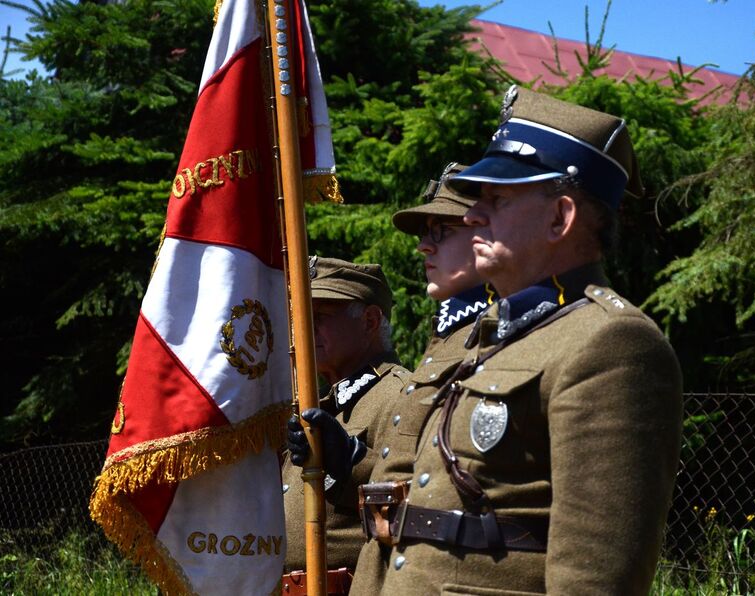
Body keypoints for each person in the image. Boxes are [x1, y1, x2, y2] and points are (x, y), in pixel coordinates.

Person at [375, 86, 684, 595]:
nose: (472, 215)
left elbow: (596, 579)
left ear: (560, 217)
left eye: (497, 198)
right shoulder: (496, 335)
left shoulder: (613, 344)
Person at [350, 163, 492, 594]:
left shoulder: (492, 338)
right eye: (423, 233)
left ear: (487, 233)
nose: (424, 248)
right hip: (389, 570)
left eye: (442, 231)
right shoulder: (446, 338)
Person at [282, 257, 409, 594]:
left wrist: (350, 461)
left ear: (369, 321)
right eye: (300, 317)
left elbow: (414, 506)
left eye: (319, 317)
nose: (303, 329)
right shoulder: (325, 406)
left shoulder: (399, 397)